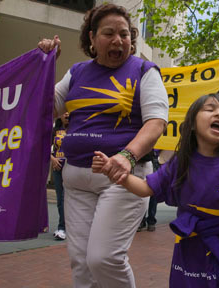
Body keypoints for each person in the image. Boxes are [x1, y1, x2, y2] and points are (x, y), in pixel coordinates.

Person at [38, 3, 169, 287]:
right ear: (92, 39)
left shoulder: (146, 70)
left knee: (104, 259)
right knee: (82, 264)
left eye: (124, 34)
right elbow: (44, 109)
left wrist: (127, 156)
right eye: (109, 33)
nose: (118, 40)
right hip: (75, 181)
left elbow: (156, 122)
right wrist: (44, 66)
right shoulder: (76, 73)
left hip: (122, 179)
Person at [93, 94, 219, 287]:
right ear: (192, 124)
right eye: (210, 109)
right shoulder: (180, 162)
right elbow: (145, 188)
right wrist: (116, 172)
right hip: (189, 249)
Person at [51, 112, 69, 240]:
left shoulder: (76, 128)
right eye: (64, 112)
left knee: (68, 198)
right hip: (57, 167)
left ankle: (64, 227)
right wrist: (52, 159)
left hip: (71, 167)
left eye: (69, 111)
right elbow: (44, 146)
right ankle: (62, 227)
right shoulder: (55, 130)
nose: (67, 114)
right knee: (59, 199)